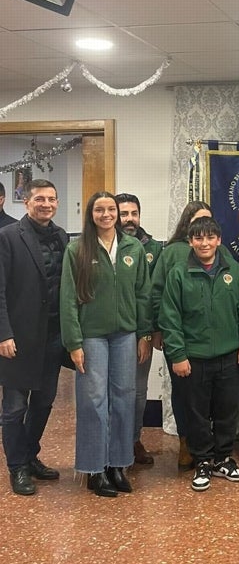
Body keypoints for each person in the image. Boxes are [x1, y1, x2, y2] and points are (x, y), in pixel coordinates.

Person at [60, 191, 152, 498]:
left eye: (111, 209)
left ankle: (117, 464)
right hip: (92, 336)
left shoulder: (134, 248)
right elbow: (68, 300)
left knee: (124, 399)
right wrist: (74, 342)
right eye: (99, 209)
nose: (106, 214)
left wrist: (144, 334)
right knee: (93, 402)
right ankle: (94, 469)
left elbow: (143, 294)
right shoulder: (77, 249)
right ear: (91, 214)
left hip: (126, 334)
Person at [159, 217, 239, 492]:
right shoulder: (179, 273)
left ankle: (223, 458)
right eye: (199, 238)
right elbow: (170, 319)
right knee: (197, 413)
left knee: (227, 410)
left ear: (219, 240)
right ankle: (202, 460)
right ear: (190, 241)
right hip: (193, 357)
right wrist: (177, 355)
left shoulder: (234, 272)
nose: (205, 243)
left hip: (228, 356)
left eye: (210, 238)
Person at [0, 179, 68, 495]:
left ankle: (30, 455)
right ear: (26, 202)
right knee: (14, 408)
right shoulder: (8, 237)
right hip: (18, 338)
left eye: (51, 199)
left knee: (43, 402)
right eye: (39, 198)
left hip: (52, 337)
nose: (46, 204)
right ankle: (17, 468)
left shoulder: (62, 237)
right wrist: (4, 334)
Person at [151, 199, 220, 471]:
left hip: (210, 340)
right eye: (196, 223)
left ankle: (207, 443)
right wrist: (158, 330)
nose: (203, 232)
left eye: (208, 223)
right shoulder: (171, 253)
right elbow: (157, 293)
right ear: (187, 225)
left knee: (209, 395)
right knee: (183, 394)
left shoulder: (220, 251)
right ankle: (185, 443)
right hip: (178, 338)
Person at [115, 192, 163, 467]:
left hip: (139, 333)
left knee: (137, 392)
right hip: (109, 332)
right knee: (114, 391)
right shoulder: (105, 245)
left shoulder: (153, 249)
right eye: (124, 214)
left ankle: (133, 440)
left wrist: (150, 332)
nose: (129, 219)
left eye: (134, 213)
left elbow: (154, 295)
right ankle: (113, 444)